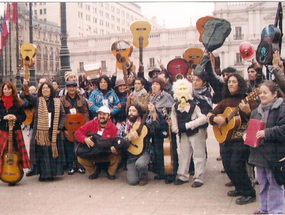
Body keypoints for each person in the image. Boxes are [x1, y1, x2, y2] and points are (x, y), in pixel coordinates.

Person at [207, 73, 258, 205]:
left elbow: (258, 119)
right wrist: (215, 119)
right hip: (226, 138)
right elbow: (210, 114)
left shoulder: (249, 100)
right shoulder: (225, 102)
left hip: (241, 139)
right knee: (228, 166)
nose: (230, 84)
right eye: (229, 82)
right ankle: (239, 187)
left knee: (237, 165)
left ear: (240, 84)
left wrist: (248, 112)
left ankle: (249, 192)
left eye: (234, 82)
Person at [248, 82, 285, 214]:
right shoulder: (256, 111)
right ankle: (264, 208)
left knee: (275, 184)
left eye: (265, 92)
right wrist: (247, 136)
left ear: (274, 94)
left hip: (275, 155)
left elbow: (283, 129)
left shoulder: (282, 109)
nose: (262, 95)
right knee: (263, 183)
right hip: (260, 154)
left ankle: (276, 211)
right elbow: (251, 128)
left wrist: (266, 133)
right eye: (260, 93)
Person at [23, 81, 66, 181]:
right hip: (41, 132)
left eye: (47, 88)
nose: (45, 90)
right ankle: (43, 174)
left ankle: (52, 174)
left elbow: (63, 115)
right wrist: (25, 86)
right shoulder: (37, 101)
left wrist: (59, 128)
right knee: (43, 153)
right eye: (43, 88)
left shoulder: (57, 101)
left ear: (51, 90)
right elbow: (27, 96)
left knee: (51, 152)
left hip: (53, 131)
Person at [171, 78, 208, 187]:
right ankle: (183, 175)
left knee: (198, 155)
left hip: (196, 132)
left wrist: (189, 125)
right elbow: (173, 117)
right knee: (184, 155)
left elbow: (203, 118)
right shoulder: (175, 105)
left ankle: (199, 177)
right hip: (183, 134)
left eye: (184, 88)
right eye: (180, 88)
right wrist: (176, 128)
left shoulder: (194, 105)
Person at [118, 104, 161, 185]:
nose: (131, 113)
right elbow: (118, 141)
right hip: (131, 155)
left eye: (134, 111)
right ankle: (136, 171)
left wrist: (154, 112)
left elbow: (156, 126)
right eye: (130, 111)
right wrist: (128, 138)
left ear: (138, 113)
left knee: (140, 164)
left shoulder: (144, 123)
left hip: (145, 152)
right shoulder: (124, 126)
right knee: (132, 181)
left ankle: (143, 176)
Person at [74, 106, 121, 180]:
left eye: (104, 114)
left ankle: (110, 172)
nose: (101, 116)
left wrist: (114, 148)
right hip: (93, 151)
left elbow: (116, 141)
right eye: (100, 114)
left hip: (106, 152)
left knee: (117, 155)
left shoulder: (114, 128)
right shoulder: (91, 123)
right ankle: (94, 171)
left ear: (109, 116)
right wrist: (85, 139)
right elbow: (77, 132)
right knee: (80, 158)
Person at [0, 81, 31, 186]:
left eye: (9, 89)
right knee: (1, 153)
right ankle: (3, 172)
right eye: (5, 89)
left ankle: (15, 172)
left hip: (15, 131)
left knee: (16, 153)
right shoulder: (0, 102)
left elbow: (24, 117)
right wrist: (3, 117)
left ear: (12, 90)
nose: (7, 91)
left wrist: (15, 117)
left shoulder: (18, 102)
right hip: (3, 131)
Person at [60, 81, 90, 175]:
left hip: (80, 126)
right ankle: (71, 165)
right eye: (69, 87)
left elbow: (86, 113)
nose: (71, 89)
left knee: (81, 145)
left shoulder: (82, 99)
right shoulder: (62, 100)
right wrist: (64, 129)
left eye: (73, 87)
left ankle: (81, 165)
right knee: (69, 147)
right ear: (67, 88)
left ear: (76, 88)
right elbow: (61, 114)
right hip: (68, 126)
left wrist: (86, 126)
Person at [148, 78, 174, 182]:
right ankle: (161, 172)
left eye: (157, 84)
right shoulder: (152, 97)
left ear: (161, 86)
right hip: (156, 126)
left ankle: (171, 174)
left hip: (164, 125)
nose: (154, 86)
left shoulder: (166, 96)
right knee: (158, 150)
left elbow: (172, 108)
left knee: (167, 150)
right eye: (153, 84)